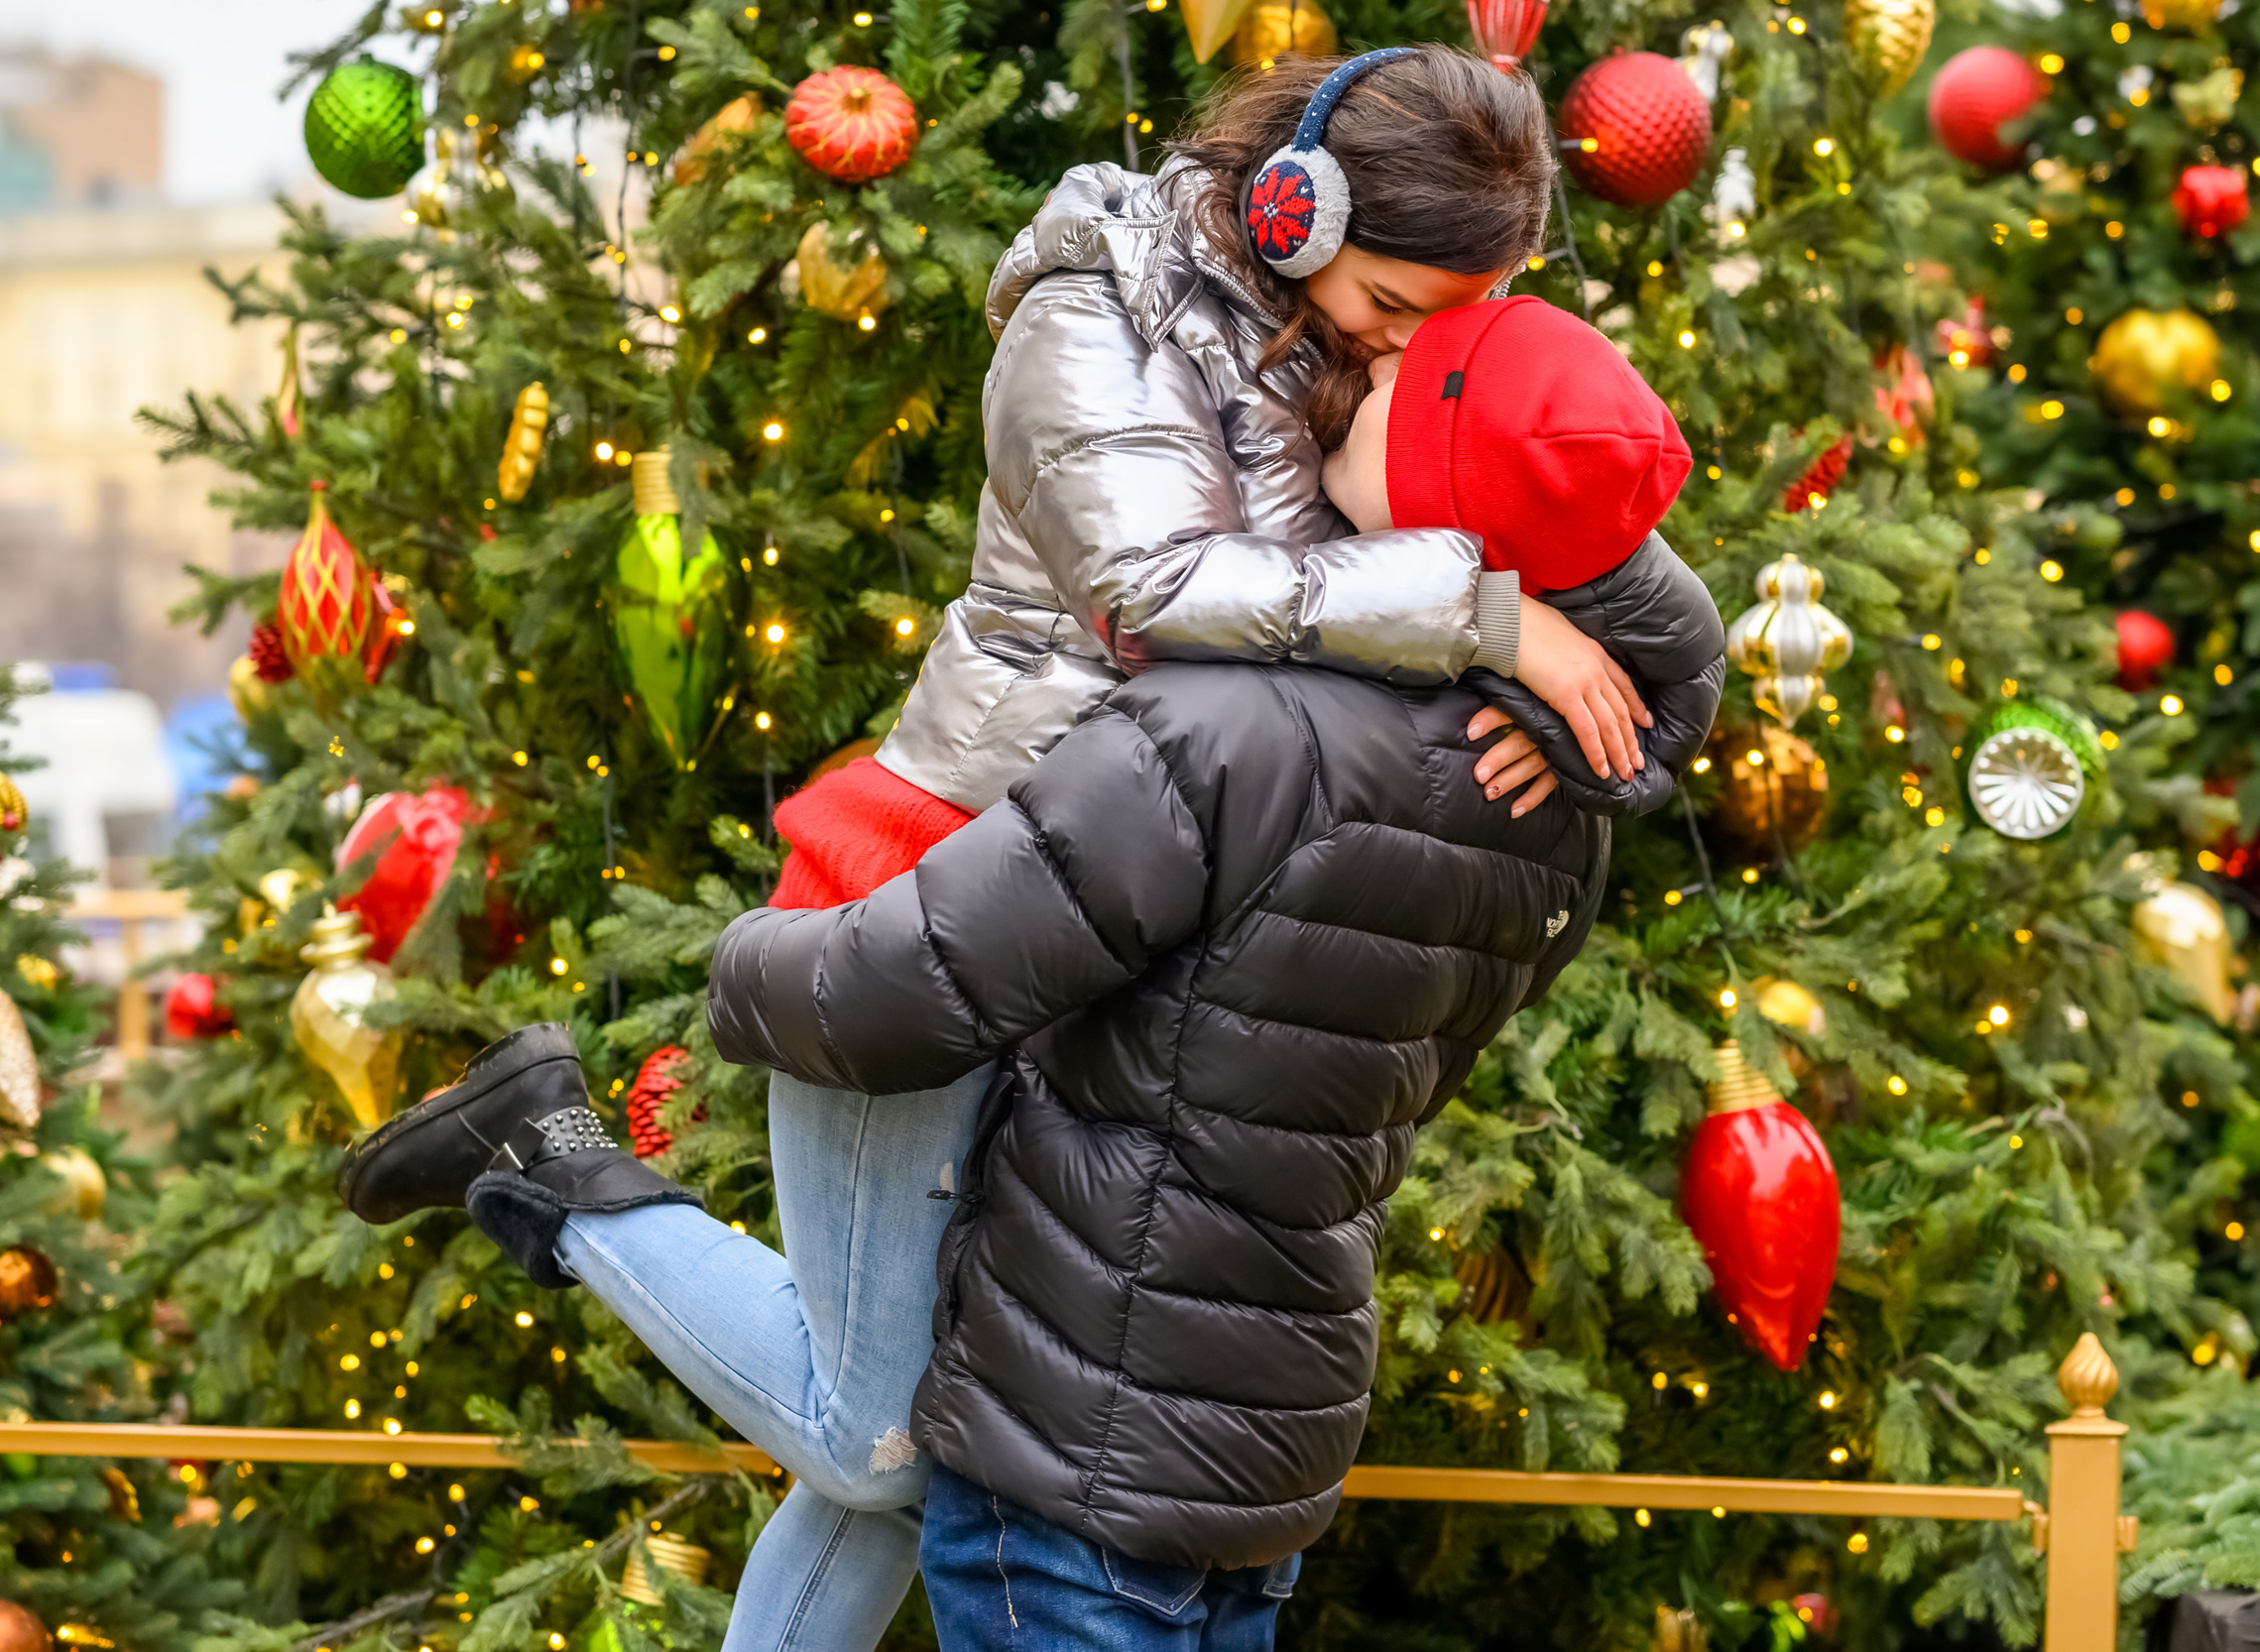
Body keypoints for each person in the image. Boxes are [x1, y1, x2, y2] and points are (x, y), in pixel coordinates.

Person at [338, 50, 1677, 1646]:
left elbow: (1634, 587)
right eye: (1397, 303)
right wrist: (1486, 613)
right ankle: (545, 1163)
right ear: (1293, 204)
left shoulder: (1363, 349)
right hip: (948, 883)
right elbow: (1157, 587)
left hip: (1136, 915)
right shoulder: (1093, 310)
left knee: (929, 1447)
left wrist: (1608, 732)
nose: (1411, 347)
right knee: (877, 1442)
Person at [696, 294, 1725, 1645]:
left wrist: (738, 957)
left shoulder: (1231, 722)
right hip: (1269, 1456)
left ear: (1434, 477)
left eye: (1399, 376)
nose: (1345, 383)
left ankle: (567, 1181)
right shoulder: (1558, 813)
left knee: (852, 1439)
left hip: (1079, 1451)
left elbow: (913, 988)